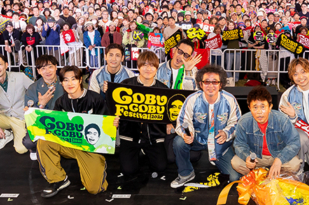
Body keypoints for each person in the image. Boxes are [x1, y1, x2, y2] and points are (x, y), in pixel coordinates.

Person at [36, 66, 112, 197]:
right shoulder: (61, 101)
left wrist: (113, 123)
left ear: (80, 80)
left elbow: (106, 128)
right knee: (43, 140)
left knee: (95, 189)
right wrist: (37, 109)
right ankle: (58, 180)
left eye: (73, 79)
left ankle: (99, 163)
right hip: (69, 144)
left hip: (89, 147)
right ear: (61, 83)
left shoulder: (95, 98)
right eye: (65, 80)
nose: (69, 83)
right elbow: (52, 127)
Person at [171, 63, 242, 188]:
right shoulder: (192, 99)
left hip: (220, 144)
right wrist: (187, 133)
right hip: (197, 140)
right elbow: (183, 121)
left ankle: (217, 159)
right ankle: (186, 173)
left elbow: (237, 122)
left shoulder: (229, 99)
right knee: (179, 142)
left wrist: (226, 133)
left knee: (234, 177)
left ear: (221, 84)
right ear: (200, 83)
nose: (210, 85)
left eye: (214, 82)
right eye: (206, 81)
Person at [117, 50, 172, 189]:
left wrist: (169, 123)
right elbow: (116, 109)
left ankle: (144, 152)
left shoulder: (163, 89)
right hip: (129, 136)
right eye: (145, 65)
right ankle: (137, 153)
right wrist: (116, 120)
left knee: (161, 167)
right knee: (129, 170)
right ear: (138, 66)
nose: (148, 69)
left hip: (153, 137)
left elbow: (169, 114)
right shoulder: (126, 85)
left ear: (157, 68)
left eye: (152, 65)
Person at [232, 86, 302, 179]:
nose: (259, 112)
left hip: (277, 155)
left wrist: (279, 160)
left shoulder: (282, 120)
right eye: (255, 107)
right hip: (257, 158)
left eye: (263, 107)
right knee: (236, 163)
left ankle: (273, 174)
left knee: (295, 164)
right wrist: (247, 157)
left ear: (270, 107)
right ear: (249, 108)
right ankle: (262, 176)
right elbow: (239, 144)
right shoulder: (244, 121)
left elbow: (294, 142)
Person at [0, 53, 35, 153]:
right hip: (3, 116)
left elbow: (34, 92)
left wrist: (30, 105)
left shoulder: (20, 76)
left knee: (21, 149)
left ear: (6, 65)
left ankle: (23, 131)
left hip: (20, 116)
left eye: (0, 64)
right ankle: (5, 135)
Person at [22, 54, 64, 160]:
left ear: (56, 67)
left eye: (50, 66)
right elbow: (29, 114)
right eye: (43, 68)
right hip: (42, 123)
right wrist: (41, 105)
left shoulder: (65, 83)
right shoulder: (33, 88)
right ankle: (35, 149)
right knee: (28, 142)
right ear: (39, 71)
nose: (47, 71)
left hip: (62, 123)